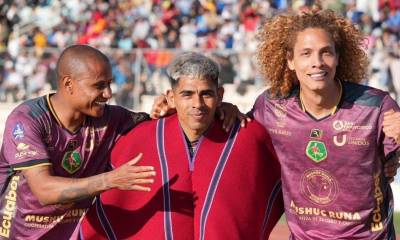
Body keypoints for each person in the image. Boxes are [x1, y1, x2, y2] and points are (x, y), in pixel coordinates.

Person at [80, 52, 283, 239]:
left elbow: (280, 182)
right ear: (171, 97)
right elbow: (114, 205)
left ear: (220, 95)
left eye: (207, 94)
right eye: (187, 94)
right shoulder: (140, 138)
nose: (198, 103)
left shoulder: (247, 137)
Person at [252, 5, 399, 239]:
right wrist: (226, 111)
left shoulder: (376, 106)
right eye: (306, 53)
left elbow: (393, 163)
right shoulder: (270, 107)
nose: (317, 62)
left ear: (338, 57)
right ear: (290, 60)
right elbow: (234, 137)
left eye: (326, 52)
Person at [0, 45, 158, 239]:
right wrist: (111, 179)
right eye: (99, 85)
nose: (108, 93)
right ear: (68, 84)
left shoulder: (111, 118)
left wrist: (166, 108)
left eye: (109, 83)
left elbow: (155, 122)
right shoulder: (27, 119)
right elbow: (44, 190)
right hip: (15, 234)